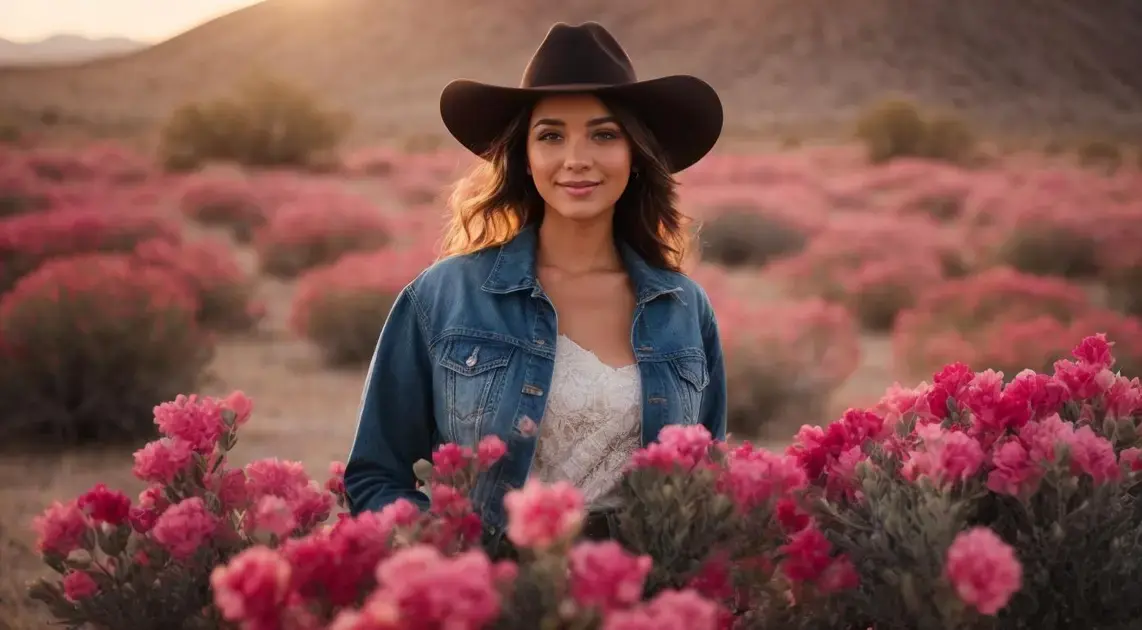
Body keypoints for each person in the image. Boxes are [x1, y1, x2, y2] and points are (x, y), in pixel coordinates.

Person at [344, 21, 728, 548]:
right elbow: (374, 475)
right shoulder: (443, 297)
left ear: (635, 154)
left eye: (604, 134)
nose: (577, 158)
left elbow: (706, 480)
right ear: (524, 156)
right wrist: (446, 560)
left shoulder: (684, 308)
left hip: (644, 597)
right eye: (551, 135)